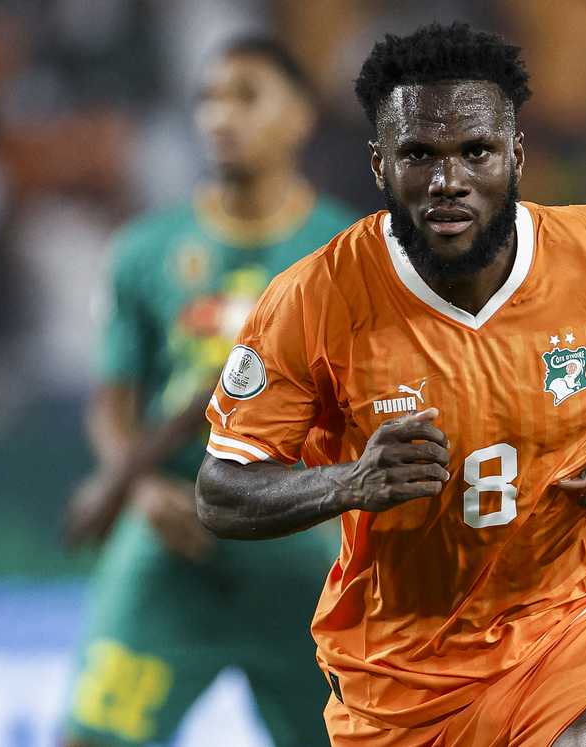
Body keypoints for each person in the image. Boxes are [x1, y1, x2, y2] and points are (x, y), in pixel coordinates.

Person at [196, 23, 586, 747]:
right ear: (380, 164)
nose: (449, 180)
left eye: (475, 150)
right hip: (404, 676)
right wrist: (348, 482)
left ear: (516, 153)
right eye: (420, 154)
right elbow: (223, 487)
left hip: (577, 619)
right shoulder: (314, 300)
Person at [60, 35, 355, 747]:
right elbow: (113, 399)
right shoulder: (145, 249)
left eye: (247, 96)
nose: (221, 116)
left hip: (303, 551)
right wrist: (136, 490)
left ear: (300, 116)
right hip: (172, 541)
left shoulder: (351, 252)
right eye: (209, 99)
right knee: (91, 737)